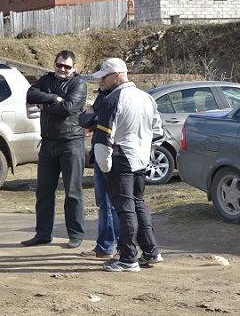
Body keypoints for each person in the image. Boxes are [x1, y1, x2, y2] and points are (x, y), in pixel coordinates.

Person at [91, 58, 164, 272]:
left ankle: (128, 258)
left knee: (125, 210)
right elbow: (158, 132)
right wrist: (144, 151)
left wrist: (105, 167)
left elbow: (103, 140)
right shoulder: (146, 97)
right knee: (138, 204)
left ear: (118, 75)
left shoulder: (112, 101)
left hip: (120, 159)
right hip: (140, 159)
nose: (100, 81)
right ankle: (151, 251)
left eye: (104, 76)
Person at [22, 50, 87, 249]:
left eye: (67, 66)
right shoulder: (47, 79)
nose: (62, 69)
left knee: (73, 191)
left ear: (74, 68)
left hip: (71, 143)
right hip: (48, 144)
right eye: (59, 65)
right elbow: (31, 94)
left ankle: (75, 234)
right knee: (43, 191)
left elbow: (67, 108)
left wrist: (45, 106)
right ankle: (43, 234)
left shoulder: (79, 84)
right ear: (55, 64)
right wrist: (53, 98)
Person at [78, 88, 120, 259]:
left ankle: (122, 249)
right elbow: (83, 119)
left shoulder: (119, 97)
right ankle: (104, 246)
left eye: (103, 77)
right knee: (103, 203)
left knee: (115, 204)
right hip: (98, 152)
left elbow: (112, 122)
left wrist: (95, 117)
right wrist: (96, 117)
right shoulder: (102, 97)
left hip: (114, 155)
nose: (100, 82)